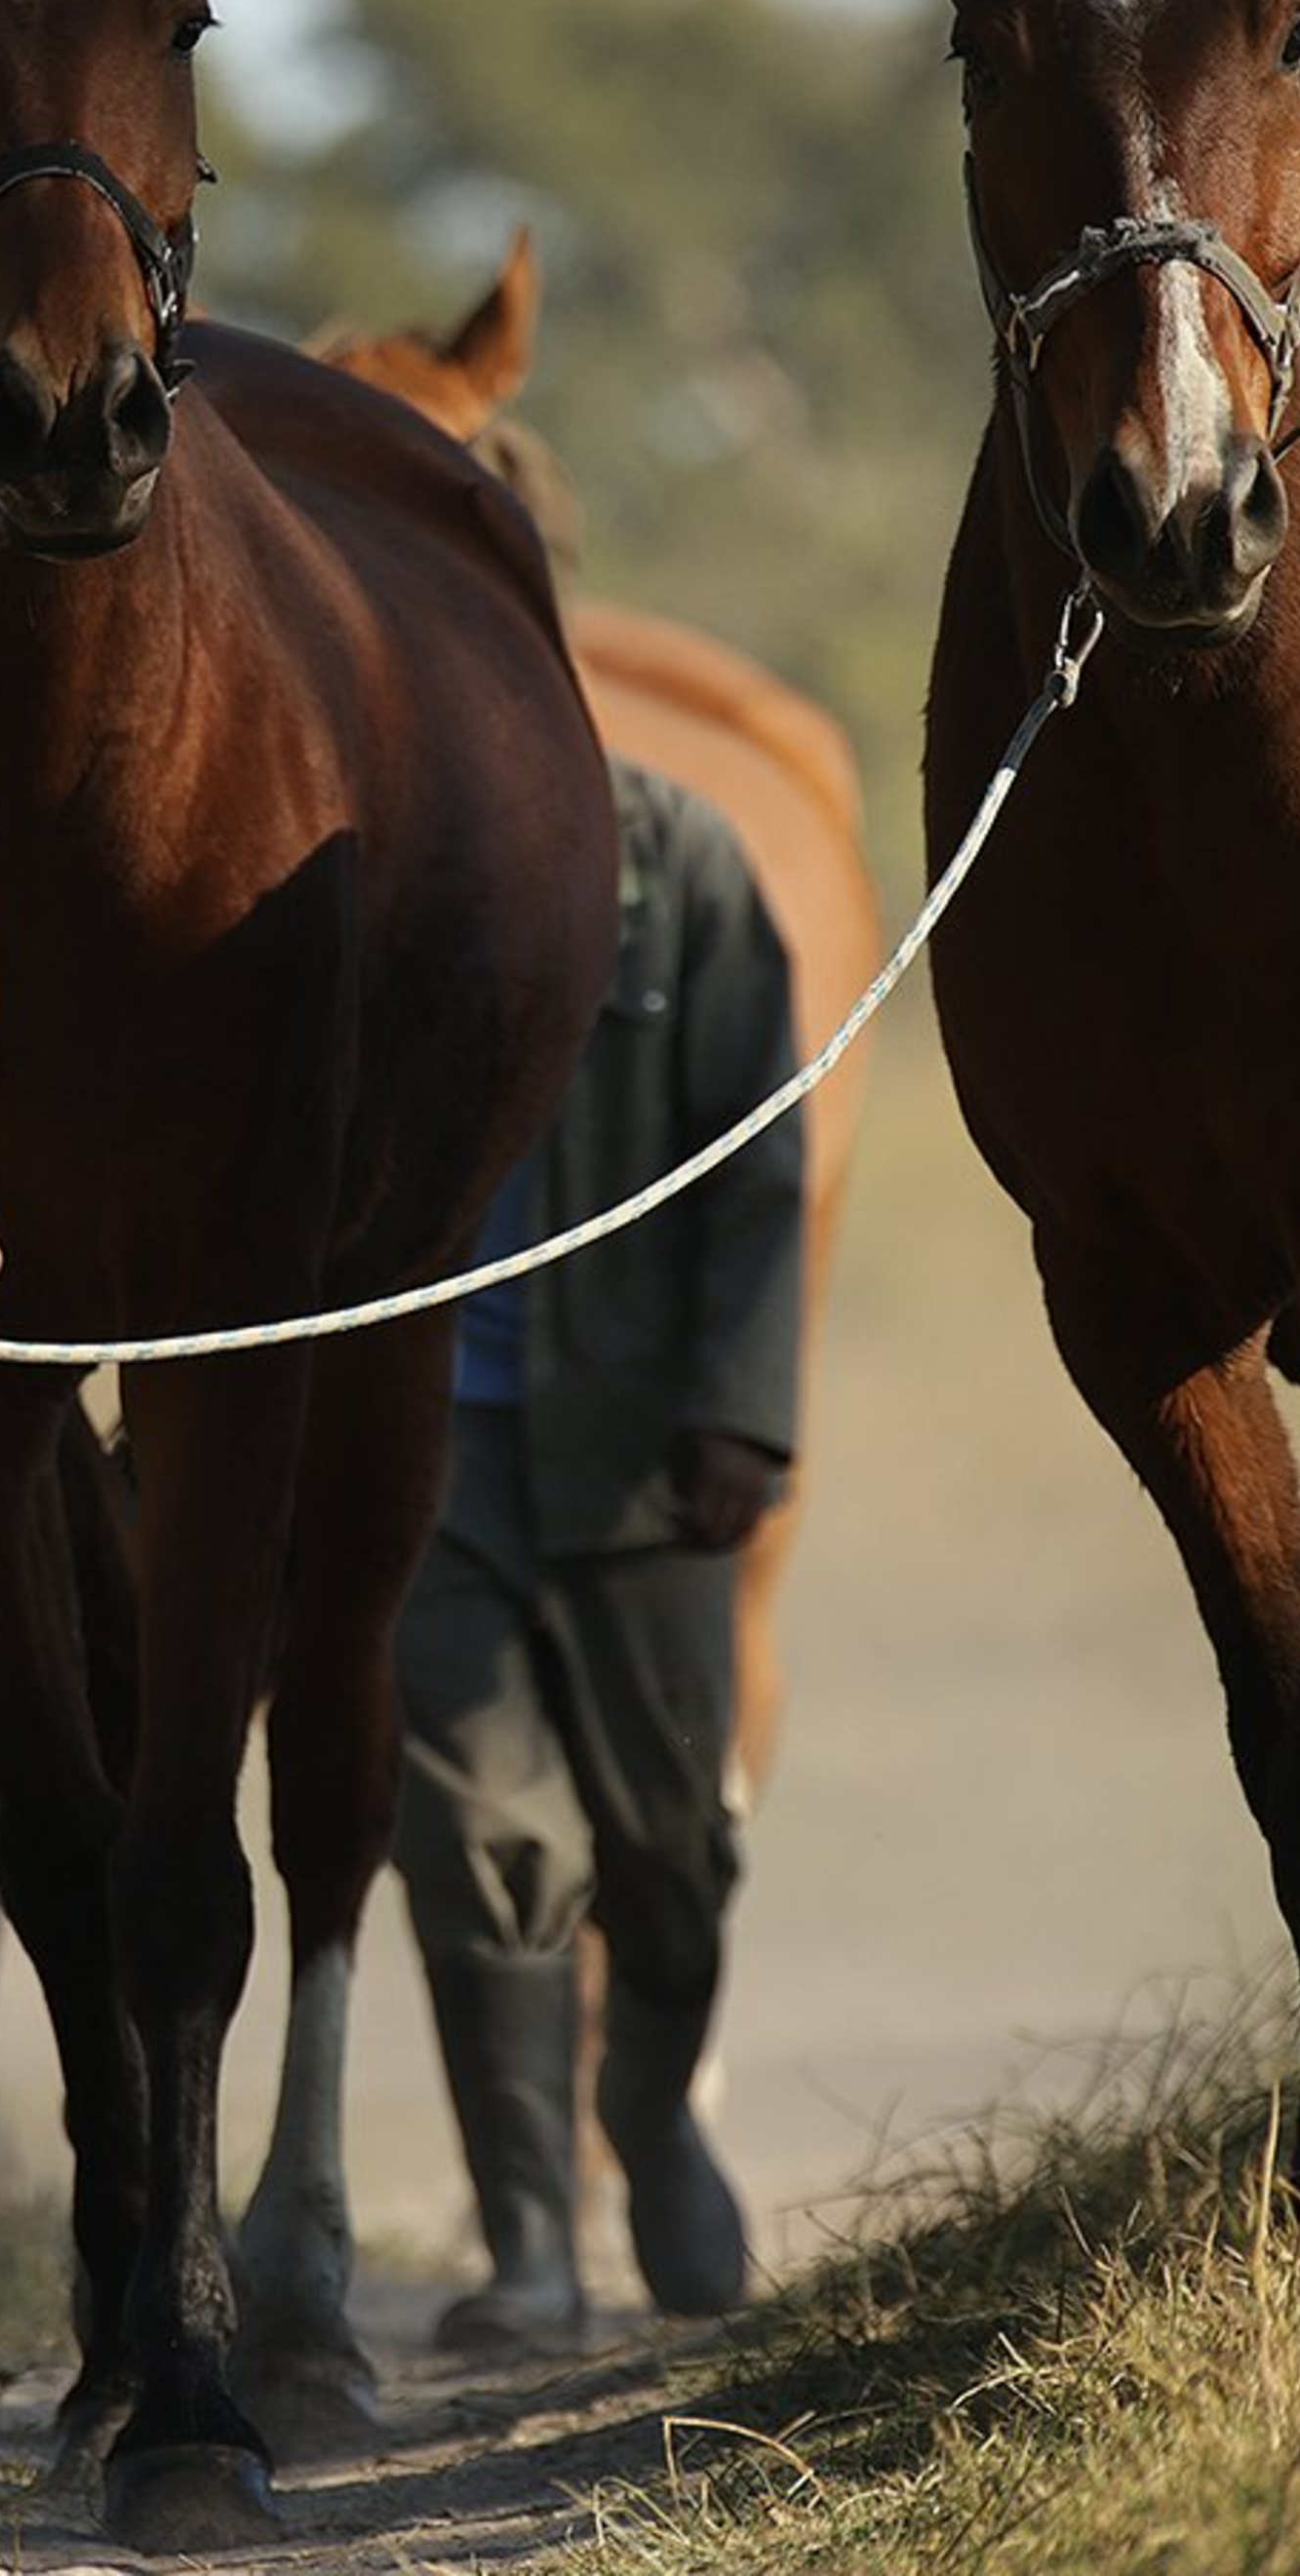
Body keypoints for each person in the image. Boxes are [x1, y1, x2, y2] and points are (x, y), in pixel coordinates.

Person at [391, 753, 806, 2359]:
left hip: (645, 1450)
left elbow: (762, 1152)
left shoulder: (679, 861)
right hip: (434, 1446)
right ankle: (532, 2247)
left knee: (670, 1849)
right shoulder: (376, 839)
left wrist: (741, 1412)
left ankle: (648, 2108)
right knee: (482, 1834)